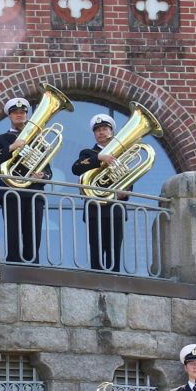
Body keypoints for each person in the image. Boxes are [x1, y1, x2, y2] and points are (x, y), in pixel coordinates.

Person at [0, 96, 49, 264]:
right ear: (10, 116)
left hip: (33, 193)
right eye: (15, 113)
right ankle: (14, 263)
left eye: (22, 112)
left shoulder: (38, 140)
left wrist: (42, 175)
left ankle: (33, 265)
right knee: (13, 232)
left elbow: (47, 169)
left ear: (27, 115)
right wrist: (11, 148)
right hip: (11, 192)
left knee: (33, 233)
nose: (19, 115)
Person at [70, 113, 125, 272]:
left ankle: (115, 277)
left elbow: (129, 175)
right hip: (95, 209)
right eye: (98, 130)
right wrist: (101, 158)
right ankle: (96, 277)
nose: (101, 132)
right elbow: (76, 168)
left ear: (111, 132)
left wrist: (126, 191)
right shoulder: (88, 153)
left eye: (105, 129)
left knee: (115, 247)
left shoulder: (121, 155)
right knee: (96, 246)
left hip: (115, 208)